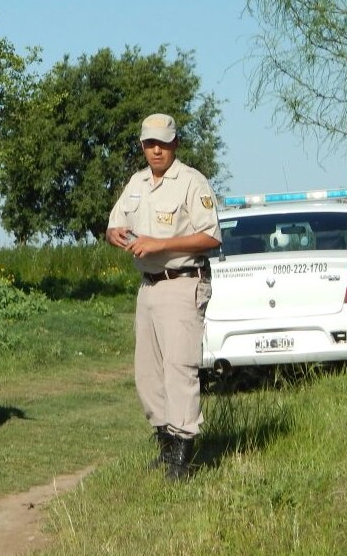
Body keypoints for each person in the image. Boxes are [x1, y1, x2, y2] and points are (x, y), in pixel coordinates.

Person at [105, 113, 221, 480]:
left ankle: (183, 456)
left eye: (164, 143)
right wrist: (115, 234)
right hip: (149, 286)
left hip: (182, 282)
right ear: (142, 145)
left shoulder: (191, 182)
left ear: (176, 144)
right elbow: (115, 223)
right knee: (148, 374)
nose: (157, 150)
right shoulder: (137, 183)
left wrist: (161, 244)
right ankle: (166, 444)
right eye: (150, 143)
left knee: (179, 369)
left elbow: (212, 237)